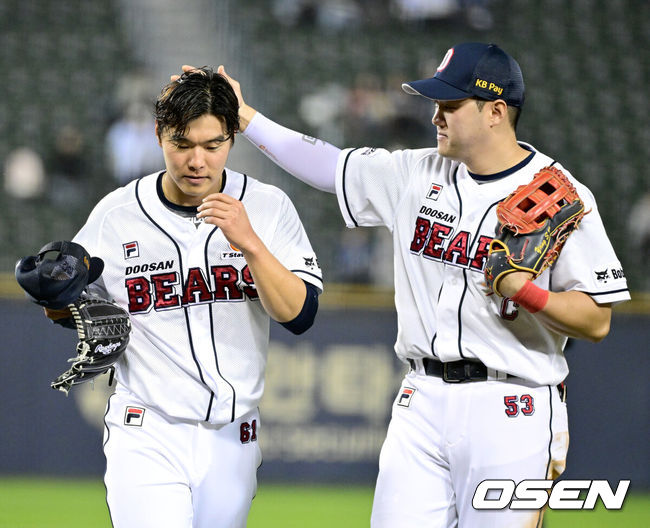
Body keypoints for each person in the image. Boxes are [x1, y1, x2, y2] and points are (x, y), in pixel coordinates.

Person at [182, 41, 631, 527]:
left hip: (513, 405)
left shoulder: (560, 194)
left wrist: (527, 292)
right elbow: (327, 165)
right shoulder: (415, 174)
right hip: (421, 398)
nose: (436, 115)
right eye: (435, 103)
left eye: (451, 105)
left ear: (496, 112)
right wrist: (244, 116)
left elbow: (597, 319)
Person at [45, 68, 323, 527]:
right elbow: (71, 305)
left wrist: (250, 243)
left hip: (234, 434)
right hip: (147, 426)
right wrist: (55, 299)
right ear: (158, 135)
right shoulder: (117, 215)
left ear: (231, 138)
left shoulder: (269, 206)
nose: (197, 160)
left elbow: (300, 315)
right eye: (182, 143)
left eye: (212, 145)